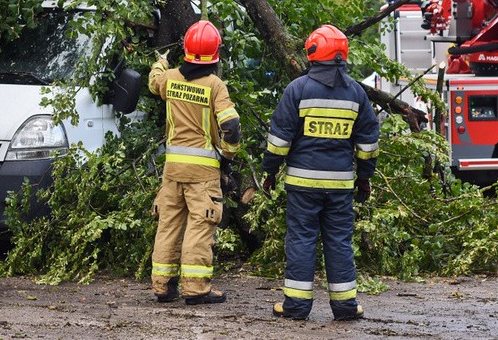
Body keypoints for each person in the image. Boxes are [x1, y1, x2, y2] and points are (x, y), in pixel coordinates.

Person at [261, 25, 380, 321]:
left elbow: (279, 141)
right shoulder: (356, 93)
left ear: (313, 52)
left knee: (301, 239)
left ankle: (296, 307)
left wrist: (269, 172)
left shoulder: (297, 89)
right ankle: (345, 307)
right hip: (340, 186)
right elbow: (368, 143)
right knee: (339, 241)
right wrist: (364, 177)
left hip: (302, 184)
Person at [148, 20, 241, 305]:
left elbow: (154, 83)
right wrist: (227, 156)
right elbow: (232, 126)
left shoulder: (171, 78)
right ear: (215, 55)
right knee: (200, 227)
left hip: (172, 170)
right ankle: (196, 289)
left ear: (186, 50)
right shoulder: (215, 85)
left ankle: (163, 287)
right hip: (203, 173)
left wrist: (160, 62)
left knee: (168, 225)